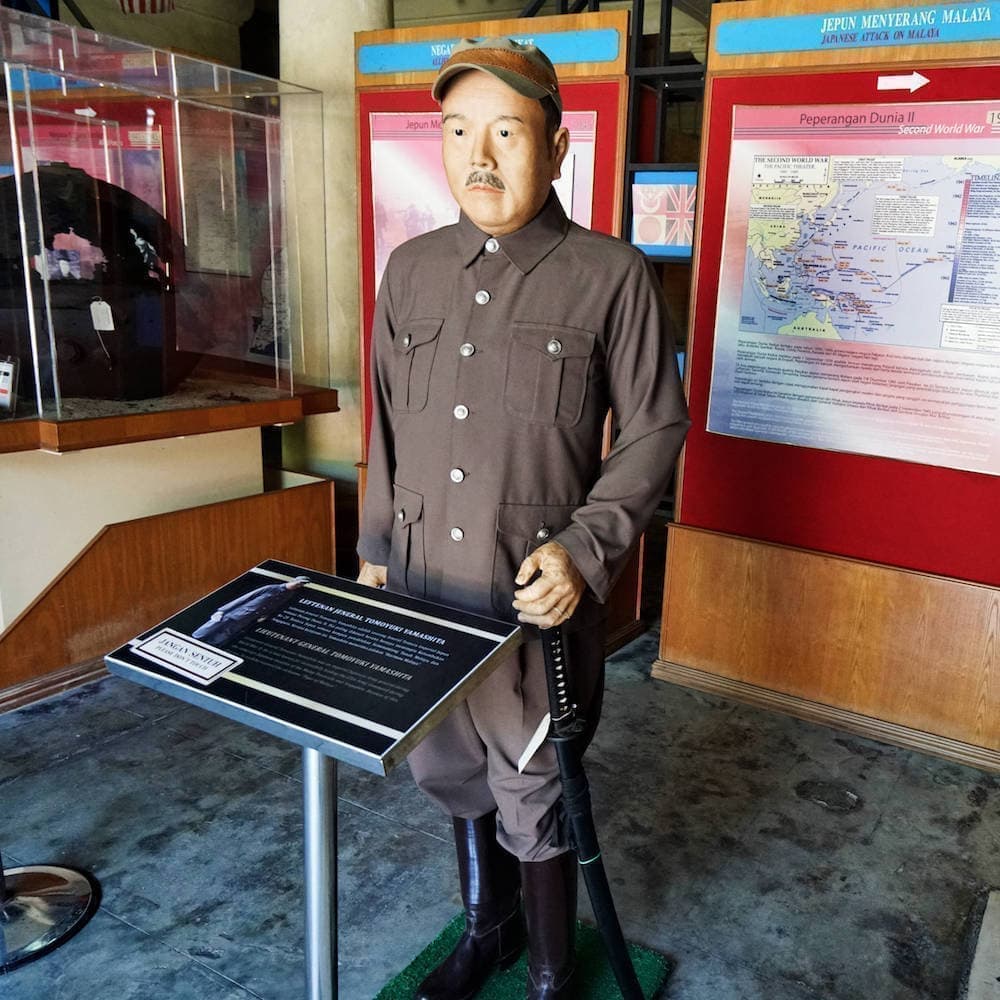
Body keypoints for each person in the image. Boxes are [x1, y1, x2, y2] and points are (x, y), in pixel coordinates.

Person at [357, 37, 690, 1000]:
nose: (480, 156)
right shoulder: (410, 270)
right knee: (447, 766)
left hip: (530, 595)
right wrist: (375, 549)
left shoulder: (610, 274)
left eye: (506, 131)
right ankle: (488, 929)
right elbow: (384, 421)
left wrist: (585, 551)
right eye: (458, 131)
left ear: (556, 149)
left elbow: (655, 428)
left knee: (534, 779)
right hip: (423, 581)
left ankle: (550, 972)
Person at [191, 576, 310, 648]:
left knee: (227, 632)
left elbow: (276, 606)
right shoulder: (271, 588)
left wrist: (266, 615)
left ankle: (210, 646)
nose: (299, 585)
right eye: (298, 583)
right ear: (293, 580)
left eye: (302, 584)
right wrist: (222, 610)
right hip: (236, 612)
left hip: (250, 617)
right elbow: (245, 598)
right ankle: (194, 639)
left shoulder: (288, 595)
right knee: (212, 625)